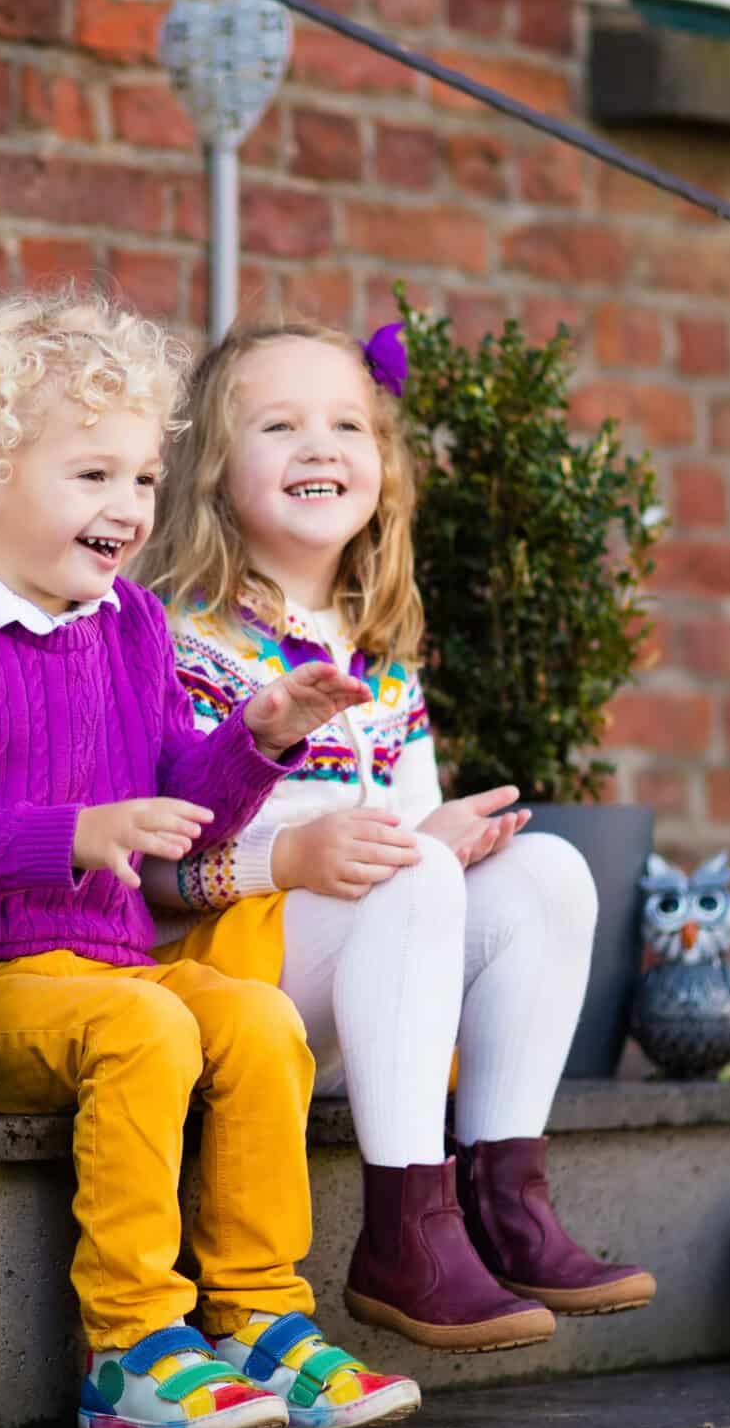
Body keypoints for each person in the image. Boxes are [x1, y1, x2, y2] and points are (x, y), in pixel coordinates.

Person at [0, 286, 421, 1428]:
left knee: (255, 1021)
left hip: (115, 967)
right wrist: (70, 834)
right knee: (149, 1032)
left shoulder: (130, 629)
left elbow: (187, 814)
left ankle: (259, 1315)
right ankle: (131, 1346)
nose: (128, 507)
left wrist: (257, 738)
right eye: (92, 475)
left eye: (143, 480)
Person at [131, 319, 654, 1352]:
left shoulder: (382, 658)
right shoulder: (177, 639)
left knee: (547, 868)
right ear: (210, 469)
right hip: (231, 978)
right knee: (412, 864)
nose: (320, 446)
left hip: (367, 987)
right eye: (278, 424)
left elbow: (405, 856)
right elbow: (150, 875)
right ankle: (404, 1231)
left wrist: (445, 839)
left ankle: (506, 1197)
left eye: (346, 424)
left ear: (382, 463)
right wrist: (294, 858)